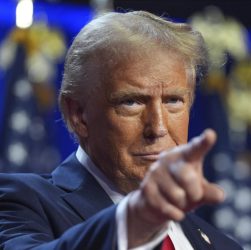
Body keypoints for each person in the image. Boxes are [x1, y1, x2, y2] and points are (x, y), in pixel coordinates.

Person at [0, 10, 242, 250]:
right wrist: (135, 222)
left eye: (173, 101)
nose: (157, 128)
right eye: (131, 102)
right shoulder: (19, 202)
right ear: (78, 115)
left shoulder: (222, 245)